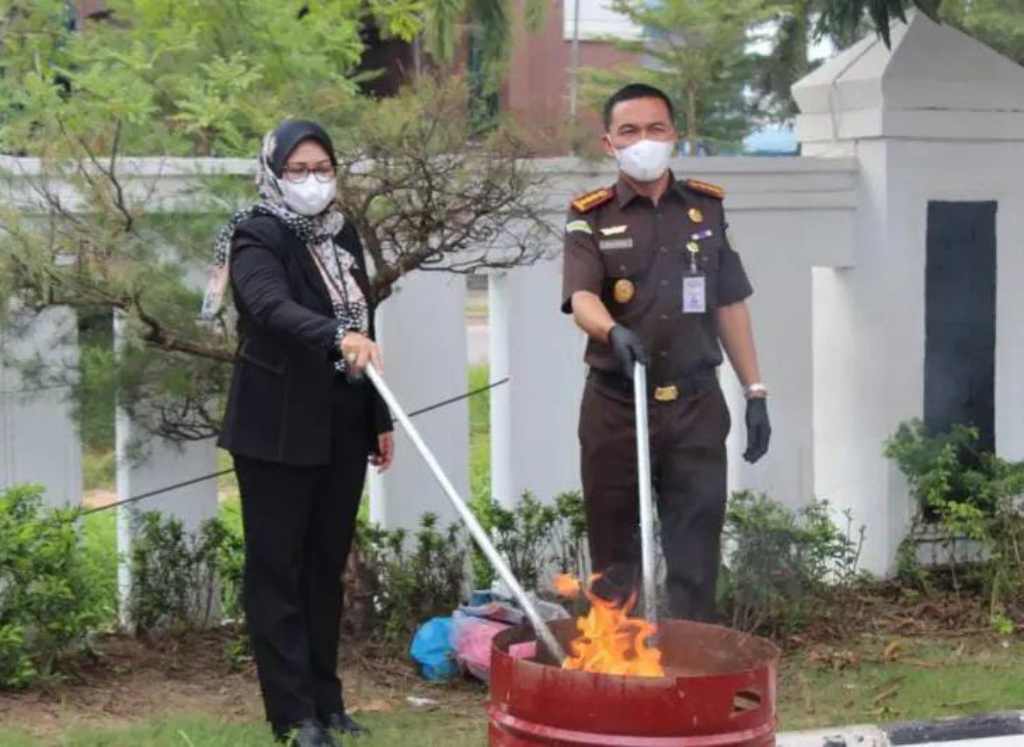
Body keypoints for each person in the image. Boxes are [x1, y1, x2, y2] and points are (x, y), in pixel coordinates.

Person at [211, 120, 394, 747]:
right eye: (298, 170)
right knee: (277, 570)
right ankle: (292, 715)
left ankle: (326, 701)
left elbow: (365, 322)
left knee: (323, 567)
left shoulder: (343, 231)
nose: (313, 181)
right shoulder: (255, 234)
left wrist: (377, 417)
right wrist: (334, 335)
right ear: (273, 172)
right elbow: (268, 306)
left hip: (342, 422)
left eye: (323, 168)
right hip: (276, 426)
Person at [561, 84, 771, 622]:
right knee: (615, 563)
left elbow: (729, 304)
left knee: (695, 557)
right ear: (609, 142)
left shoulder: (706, 209)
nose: (644, 141)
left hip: (694, 408)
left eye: (655, 128)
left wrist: (755, 392)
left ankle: (687, 662)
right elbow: (582, 298)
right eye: (629, 131)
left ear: (674, 134)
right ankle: (620, 664)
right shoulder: (590, 216)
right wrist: (612, 332)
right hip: (617, 408)